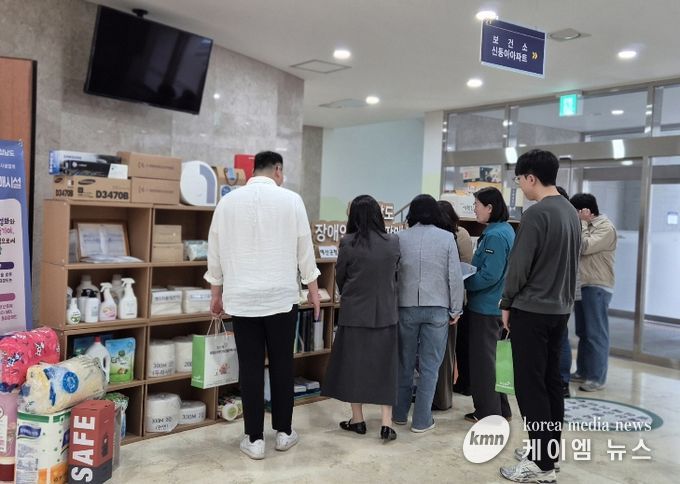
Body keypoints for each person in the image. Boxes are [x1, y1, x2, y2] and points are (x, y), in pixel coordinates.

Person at [205, 151, 321, 460]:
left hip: (242, 299)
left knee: (250, 368)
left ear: (253, 170)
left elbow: (215, 251)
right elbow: (304, 249)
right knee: (283, 364)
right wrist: (313, 291)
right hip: (281, 298)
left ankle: (254, 439)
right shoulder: (292, 200)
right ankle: (284, 433)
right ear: (277, 170)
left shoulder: (227, 202)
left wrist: (216, 293)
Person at [498, 150, 581, 483]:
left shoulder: (536, 214)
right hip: (560, 310)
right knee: (551, 384)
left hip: (531, 310)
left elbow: (519, 267)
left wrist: (507, 302)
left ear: (531, 177)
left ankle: (541, 465)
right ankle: (548, 453)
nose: (520, 186)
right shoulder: (570, 211)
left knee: (530, 387)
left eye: (520, 179)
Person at [322, 195, 401, 442]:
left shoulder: (348, 242)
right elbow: (395, 275)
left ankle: (357, 420)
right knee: (386, 367)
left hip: (355, 313)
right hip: (386, 313)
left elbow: (341, 276)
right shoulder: (393, 242)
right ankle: (386, 424)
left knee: (353, 367)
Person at [394, 194, 464, 432]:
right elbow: (454, 276)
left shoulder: (400, 237)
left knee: (404, 363)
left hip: (406, 307)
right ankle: (422, 420)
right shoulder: (446, 238)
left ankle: (399, 414)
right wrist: (456, 308)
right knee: (430, 367)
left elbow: (394, 274)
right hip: (437, 308)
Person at [463, 187, 515, 422]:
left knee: (483, 363)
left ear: (490, 207)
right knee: (496, 362)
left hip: (486, 307)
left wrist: (465, 281)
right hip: (497, 305)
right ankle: (502, 409)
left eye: (477, 205)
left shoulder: (495, 235)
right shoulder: (504, 230)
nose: (474, 209)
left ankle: (488, 413)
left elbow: (489, 275)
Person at [568, 193, 617, 392]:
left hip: (597, 285)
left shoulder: (606, 227)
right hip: (582, 284)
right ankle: (583, 371)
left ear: (586, 211)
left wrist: (581, 224)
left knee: (596, 333)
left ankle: (597, 378)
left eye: (575, 212)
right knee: (583, 332)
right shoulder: (587, 226)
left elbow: (584, 246)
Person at [433, 200, 473, 410]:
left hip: (446, 301)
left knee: (443, 352)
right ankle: (445, 394)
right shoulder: (459, 234)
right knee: (449, 350)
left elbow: (461, 267)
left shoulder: (453, 236)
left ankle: (442, 396)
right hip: (455, 300)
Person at [556, 186, 575, 398]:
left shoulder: (567, 222)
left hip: (561, 291)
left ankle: (562, 381)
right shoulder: (570, 220)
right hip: (562, 290)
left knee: (561, 338)